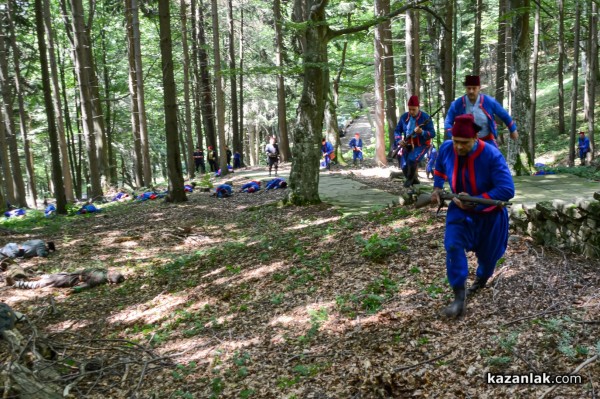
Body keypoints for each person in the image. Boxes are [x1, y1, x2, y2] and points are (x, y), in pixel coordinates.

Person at [432, 114, 515, 319]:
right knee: (452, 245)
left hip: (490, 217)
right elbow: (440, 168)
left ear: (475, 138)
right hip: (459, 211)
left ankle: (481, 279)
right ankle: (459, 298)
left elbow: (506, 189)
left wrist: (476, 199)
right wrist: (436, 188)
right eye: (456, 142)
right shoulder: (446, 148)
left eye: (464, 143)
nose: (458, 147)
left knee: (488, 257)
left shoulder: (492, 155)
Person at [445, 75, 518, 147]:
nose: (471, 91)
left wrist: (513, 129)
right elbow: (448, 122)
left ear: (479, 88)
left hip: (487, 141)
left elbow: (504, 115)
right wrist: (453, 135)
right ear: (466, 89)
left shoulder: (489, 101)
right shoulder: (457, 104)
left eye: (474, 88)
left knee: (495, 157)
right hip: (465, 143)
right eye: (469, 88)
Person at [394, 95, 436, 187]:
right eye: (410, 109)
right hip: (407, 145)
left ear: (418, 107)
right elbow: (397, 131)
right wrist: (399, 140)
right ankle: (414, 181)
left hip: (422, 144)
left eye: (414, 109)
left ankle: (409, 180)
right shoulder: (404, 117)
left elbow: (432, 133)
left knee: (412, 159)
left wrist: (422, 132)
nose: (411, 112)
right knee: (404, 165)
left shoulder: (425, 117)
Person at [8, 268, 124, 293]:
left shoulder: (100, 277)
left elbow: (86, 285)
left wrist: (73, 290)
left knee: (43, 282)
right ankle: (22, 279)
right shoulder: (103, 273)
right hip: (71, 275)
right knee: (48, 278)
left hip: (70, 279)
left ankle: (17, 284)